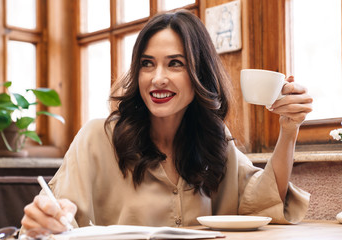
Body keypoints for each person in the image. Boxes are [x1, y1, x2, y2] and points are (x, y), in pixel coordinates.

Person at [21, 10, 313, 233]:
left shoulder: (214, 139)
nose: (157, 78)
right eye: (147, 63)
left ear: (199, 74)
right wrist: (43, 222)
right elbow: (54, 219)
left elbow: (262, 200)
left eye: (175, 63)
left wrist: (289, 129)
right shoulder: (97, 137)